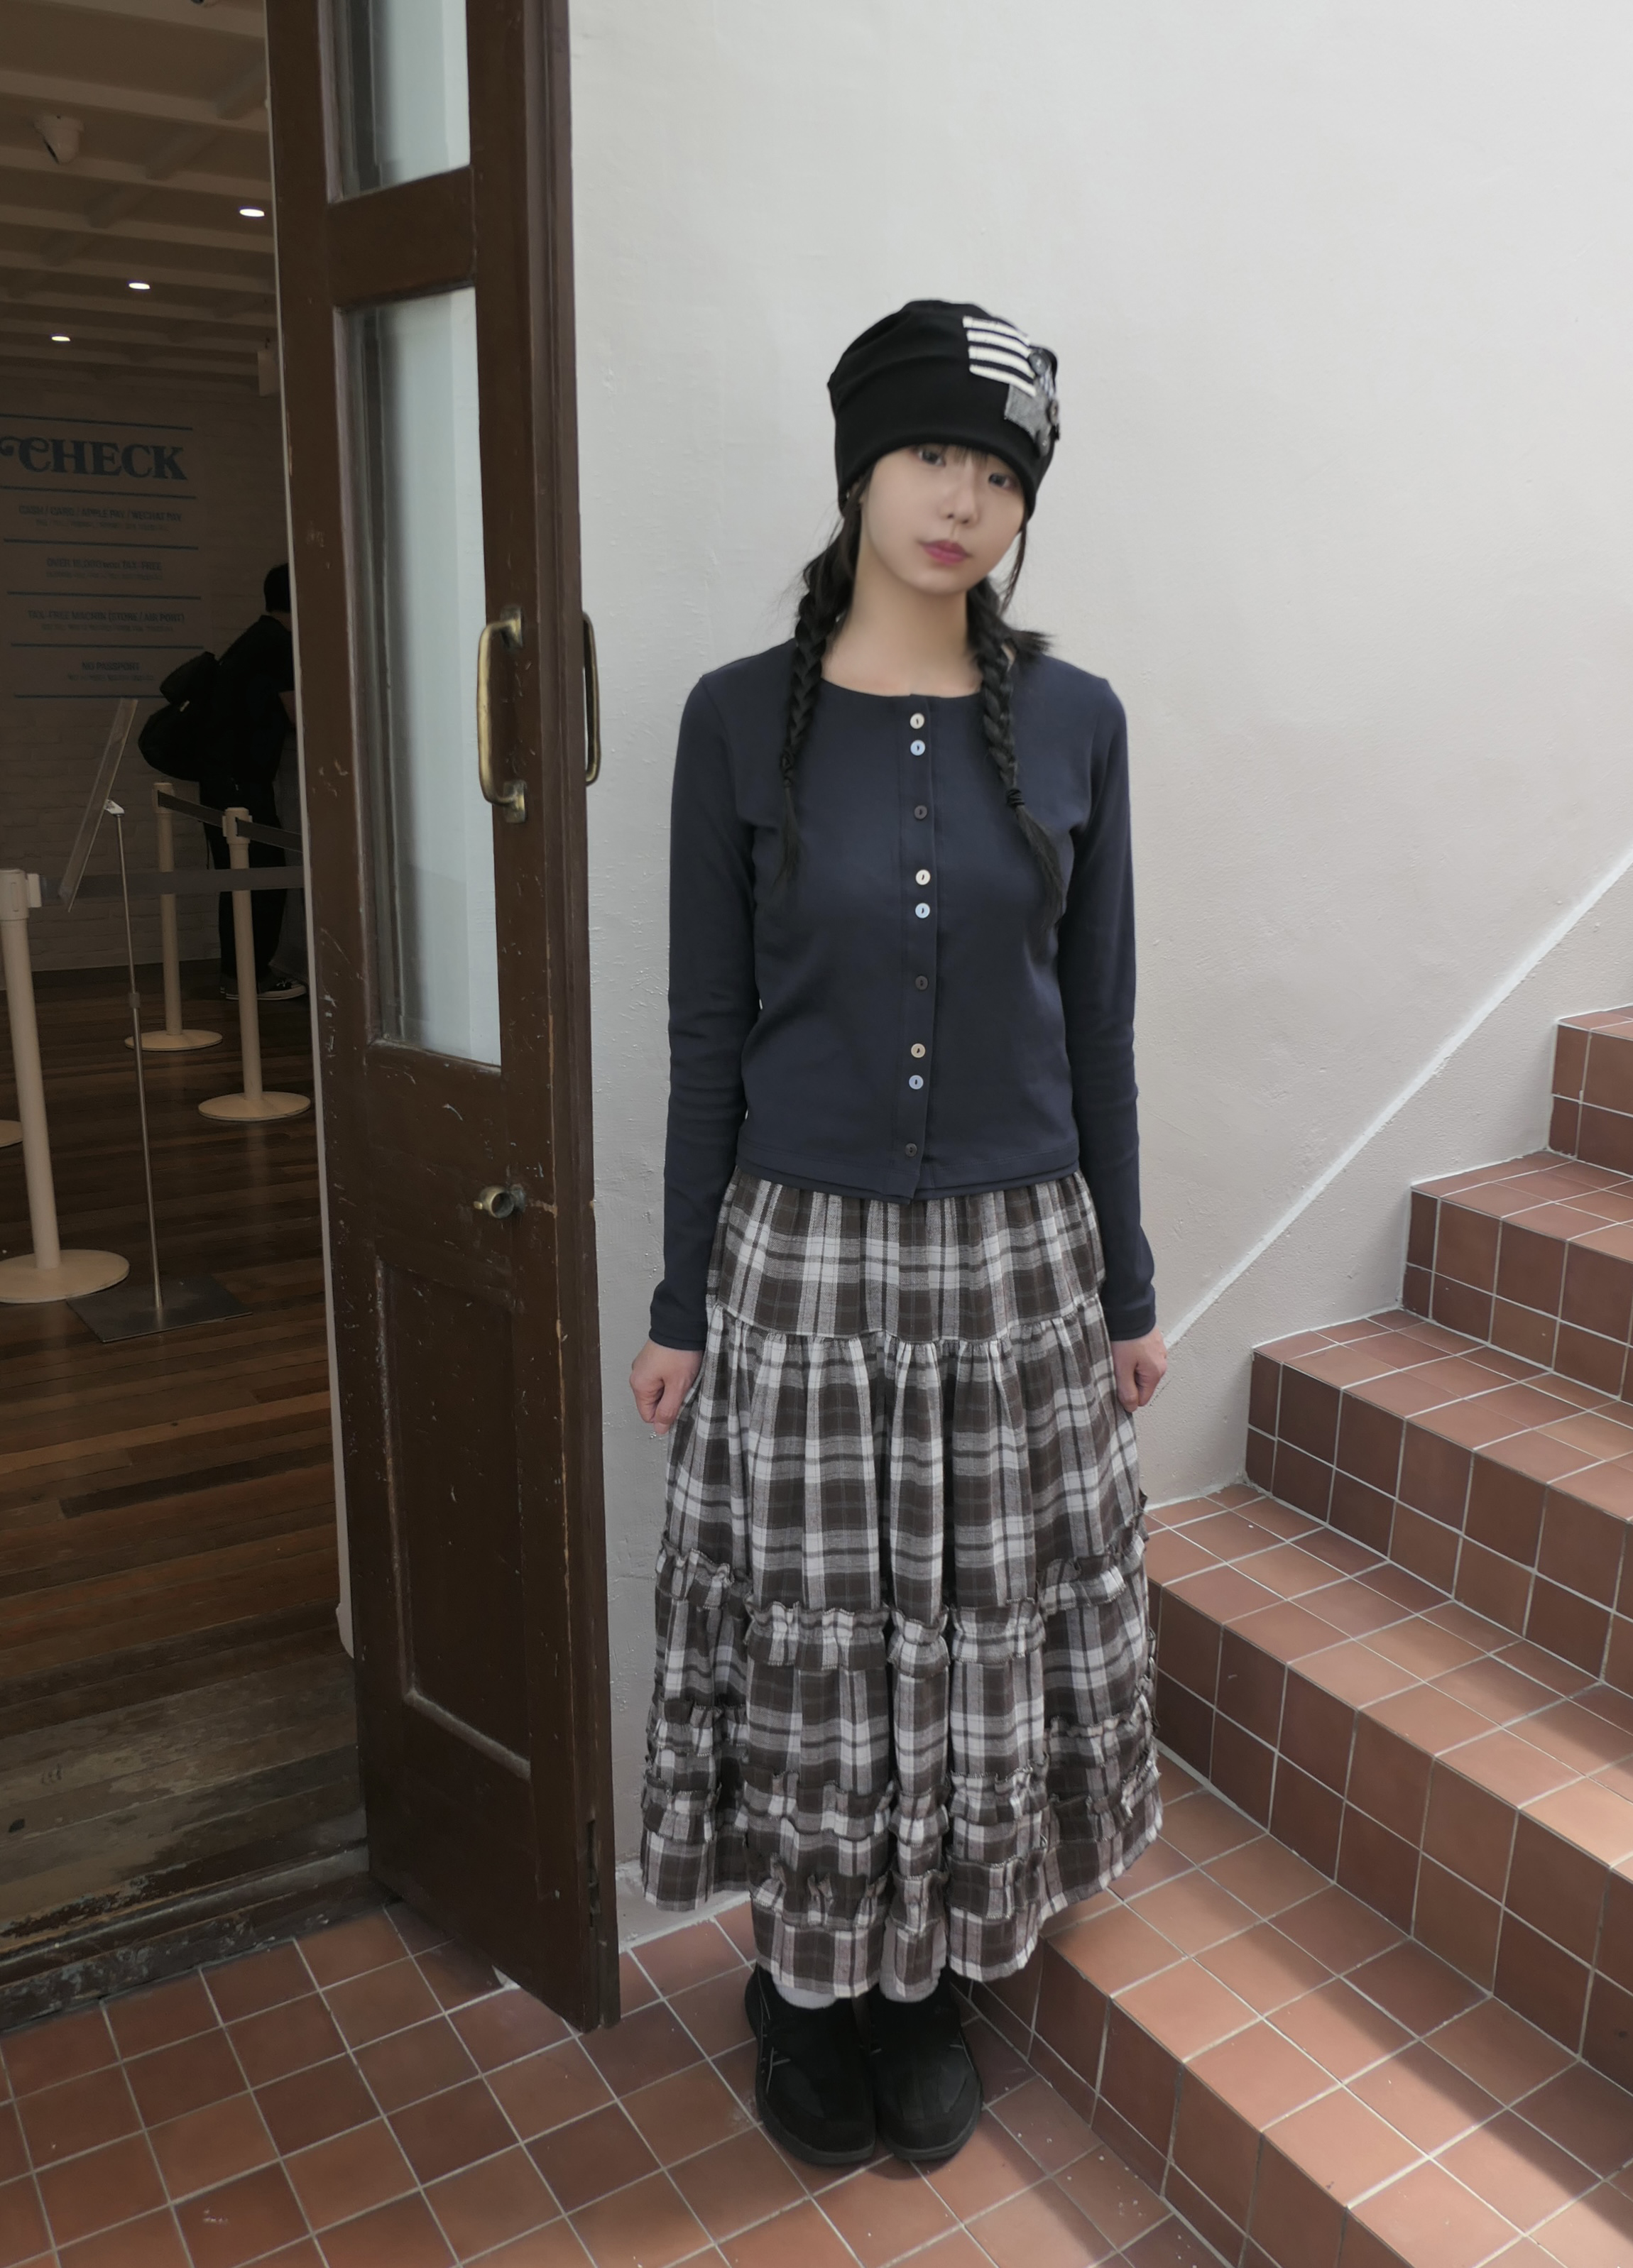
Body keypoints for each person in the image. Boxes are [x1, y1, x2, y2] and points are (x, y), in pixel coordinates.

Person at [628, 301, 1168, 2173]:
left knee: (965, 1648)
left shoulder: (1080, 722)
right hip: (797, 1263)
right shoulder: (731, 720)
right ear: (860, 465)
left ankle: (926, 1986)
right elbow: (707, 1031)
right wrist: (680, 1297)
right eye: (934, 452)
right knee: (816, 1648)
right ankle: (802, 1985)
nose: (964, 498)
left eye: (1001, 472)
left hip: (1015, 1264)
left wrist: (1126, 1287)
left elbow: (1097, 1025)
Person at [201, 561, 303, 1002]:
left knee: (240, 878)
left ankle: (237, 975)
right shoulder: (279, 644)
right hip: (242, 782)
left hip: (222, 777)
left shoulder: (256, 637)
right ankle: (252, 977)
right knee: (262, 878)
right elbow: (298, 716)